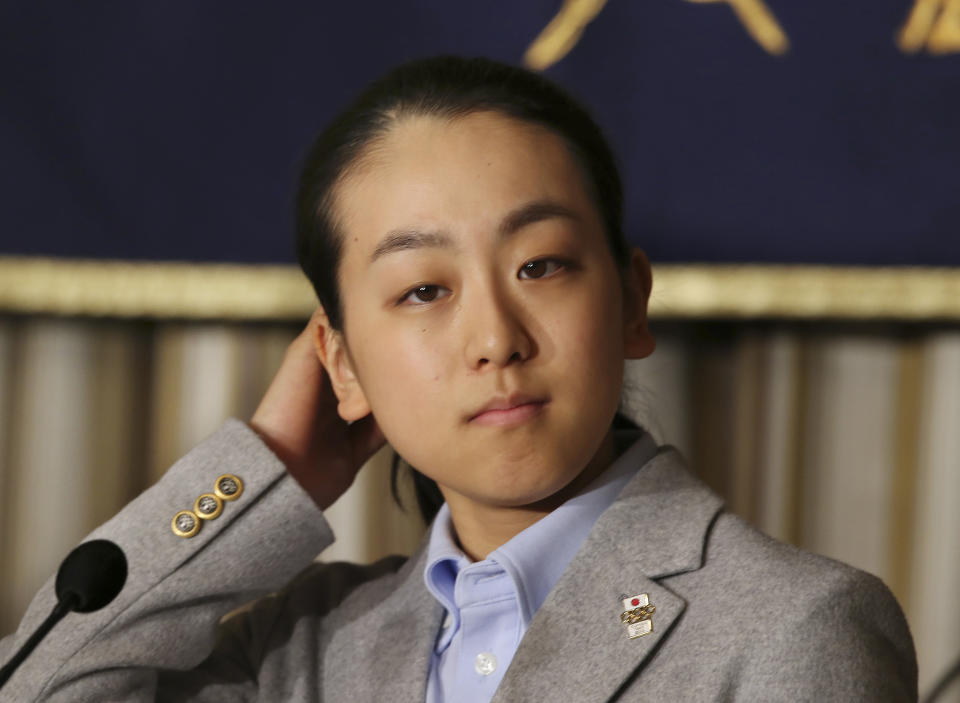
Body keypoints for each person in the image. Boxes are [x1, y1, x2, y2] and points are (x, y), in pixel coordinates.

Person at [0, 56, 916, 702]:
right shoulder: (304, 647)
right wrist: (266, 471)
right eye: (424, 288)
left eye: (543, 265)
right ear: (342, 361)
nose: (494, 338)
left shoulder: (795, 626)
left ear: (632, 303)